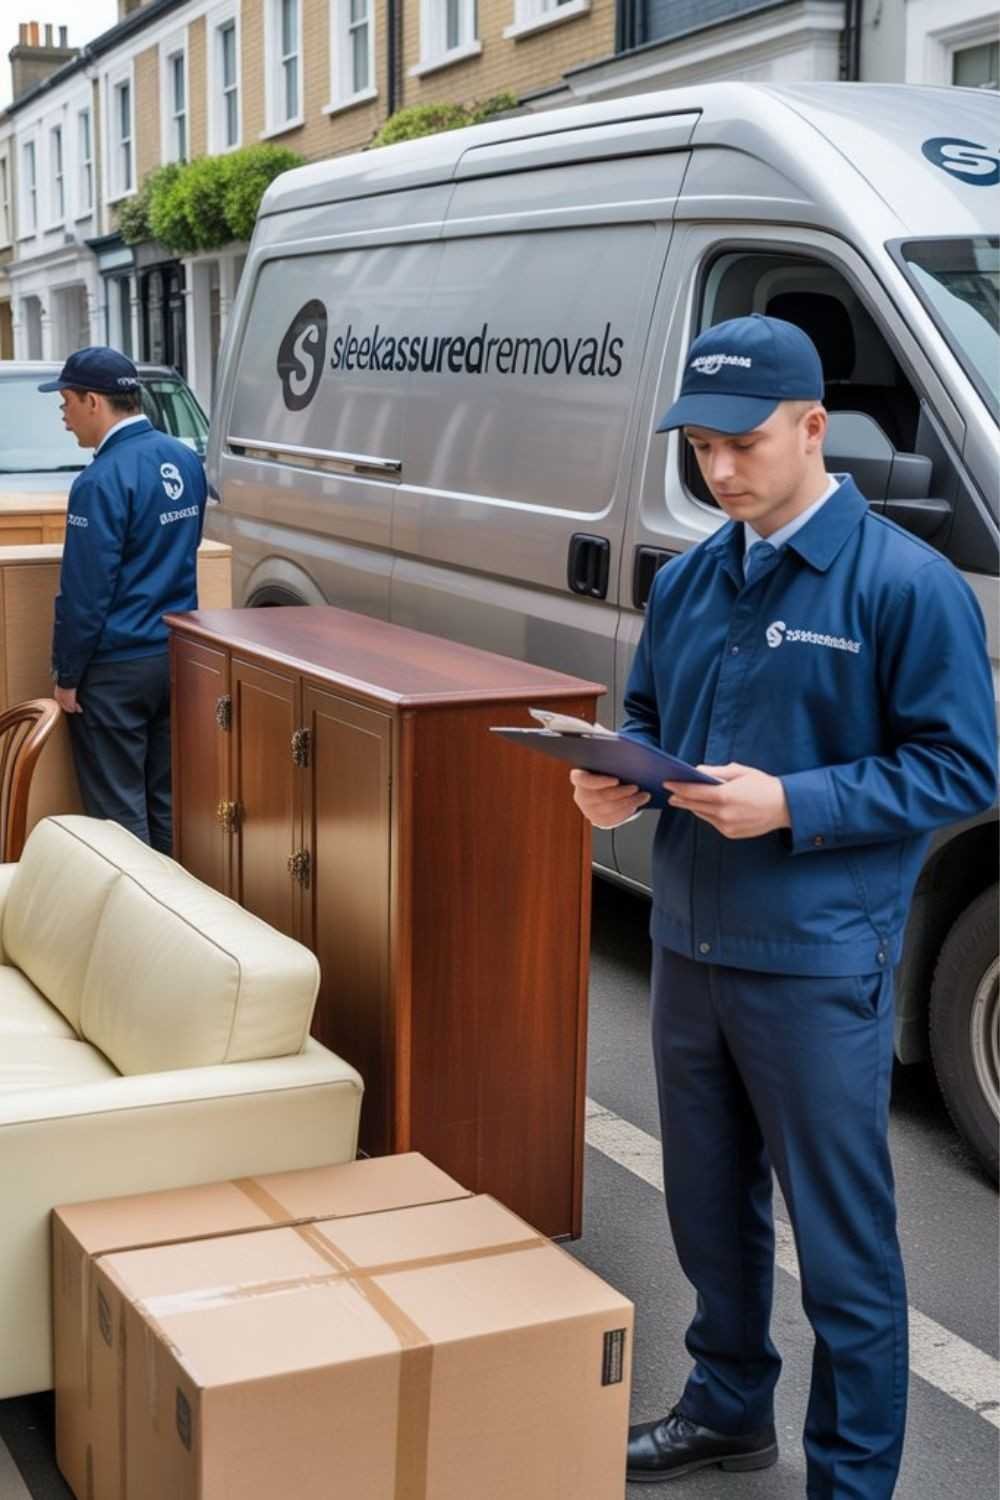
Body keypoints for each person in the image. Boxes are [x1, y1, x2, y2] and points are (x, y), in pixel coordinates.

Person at [570, 315, 996, 1498]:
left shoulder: (905, 586)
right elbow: (649, 715)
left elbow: (965, 769)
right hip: (690, 946)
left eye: (742, 443)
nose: (716, 470)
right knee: (708, 1213)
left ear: (814, 427)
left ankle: (849, 1482)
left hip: (815, 963)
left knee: (845, 1255)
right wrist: (614, 780)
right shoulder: (699, 574)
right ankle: (727, 1410)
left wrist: (793, 804)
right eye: (698, 445)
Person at [40, 347, 207, 855]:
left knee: (119, 819)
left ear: (94, 401)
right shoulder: (183, 458)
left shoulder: (99, 481)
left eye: (66, 402)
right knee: (167, 804)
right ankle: (178, 923)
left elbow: (86, 592)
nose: (64, 417)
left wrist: (67, 675)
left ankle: (134, 926)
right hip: (174, 656)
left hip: (115, 669)